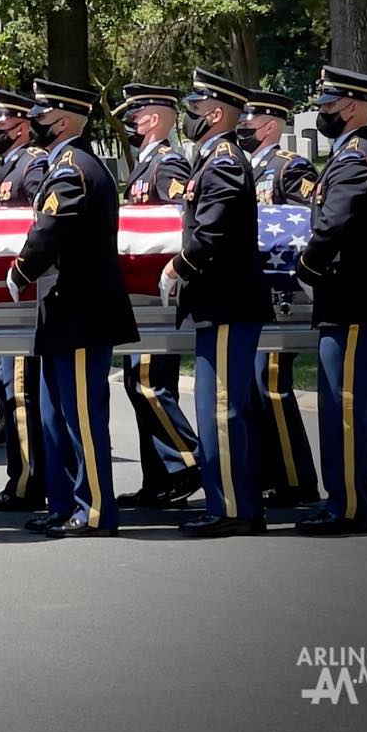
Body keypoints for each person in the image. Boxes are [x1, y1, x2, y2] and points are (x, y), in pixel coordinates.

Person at [7, 80, 138, 538]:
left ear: (61, 121)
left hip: (82, 313)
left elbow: (48, 229)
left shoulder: (73, 168)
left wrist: (20, 270)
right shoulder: (67, 164)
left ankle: (96, 508)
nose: (32, 123)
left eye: (40, 116)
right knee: (55, 416)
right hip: (64, 313)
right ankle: (64, 505)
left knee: (81, 417)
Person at [158, 68, 272, 538]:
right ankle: (236, 504)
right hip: (222, 303)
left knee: (219, 409)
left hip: (226, 302)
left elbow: (212, 233)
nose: (189, 118)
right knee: (221, 408)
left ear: (216, 113)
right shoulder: (216, 159)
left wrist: (176, 267)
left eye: (195, 109)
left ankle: (231, 510)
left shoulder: (223, 161)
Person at [294, 66, 367, 535]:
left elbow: (333, 225)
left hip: (356, 304)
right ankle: (342, 500)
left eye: (326, 106)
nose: (321, 114)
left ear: (351, 107)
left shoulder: (356, 160)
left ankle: (352, 507)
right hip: (349, 303)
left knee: (347, 407)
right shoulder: (352, 156)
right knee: (340, 405)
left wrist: (305, 268)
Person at [113, 83, 203, 509]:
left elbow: (176, 224)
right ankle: (160, 480)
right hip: (140, 296)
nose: (130, 123)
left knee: (150, 384)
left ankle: (190, 459)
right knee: (137, 384)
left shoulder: (167, 166)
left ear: (154, 118)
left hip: (158, 295)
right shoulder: (146, 164)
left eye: (135, 116)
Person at [238, 88, 320, 509]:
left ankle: (296, 479)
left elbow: (311, 218)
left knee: (271, 386)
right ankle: (270, 473)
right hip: (253, 293)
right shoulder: (243, 168)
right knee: (253, 387)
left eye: (248, 123)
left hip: (282, 297)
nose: (242, 129)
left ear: (269, 125)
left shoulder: (290, 168)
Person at [0, 87, 49, 515]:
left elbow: (38, 222)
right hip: (11, 298)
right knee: (12, 392)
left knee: (20, 393)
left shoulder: (33, 165)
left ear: (21, 126)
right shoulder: (11, 167)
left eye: (0, 126)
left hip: (24, 300)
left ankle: (26, 484)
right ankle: (23, 478)